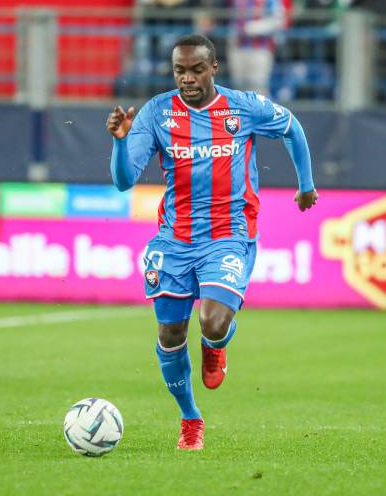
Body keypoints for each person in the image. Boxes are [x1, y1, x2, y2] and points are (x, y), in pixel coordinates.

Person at [106, 34, 318, 451]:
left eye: (196, 69)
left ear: (214, 68)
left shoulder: (244, 107)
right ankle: (190, 418)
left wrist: (306, 185)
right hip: (175, 238)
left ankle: (215, 346)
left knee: (213, 320)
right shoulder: (156, 113)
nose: (187, 78)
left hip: (229, 234)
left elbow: (293, 128)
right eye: (179, 70)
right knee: (169, 334)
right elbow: (124, 180)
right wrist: (119, 142)